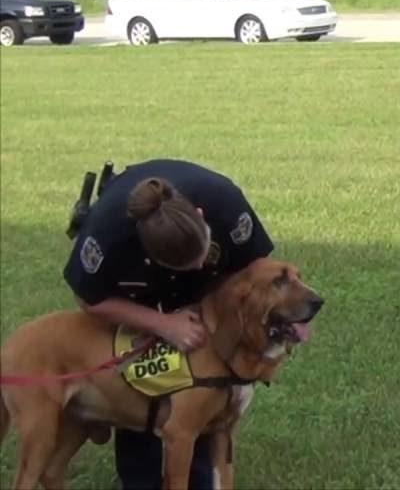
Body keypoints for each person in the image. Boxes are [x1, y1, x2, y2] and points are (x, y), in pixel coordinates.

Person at [62, 158, 275, 490]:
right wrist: (161, 323)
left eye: (203, 255)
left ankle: (200, 466)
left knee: (203, 384)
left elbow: (258, 273)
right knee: (141, 381)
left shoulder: (225, 204)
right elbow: (89, 299)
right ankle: (141, 475)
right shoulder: (108, 232)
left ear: (202, 219)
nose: (199, 264)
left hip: (213, 290)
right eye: (187, 264)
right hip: (139, 296)